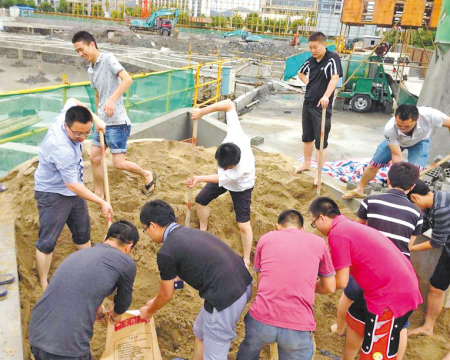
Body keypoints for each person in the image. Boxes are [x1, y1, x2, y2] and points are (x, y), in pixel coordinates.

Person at [309, 197, 422, 360]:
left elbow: (340, 282)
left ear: (322, 218)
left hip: (390, 294)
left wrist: (310, 285)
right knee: (355, 318)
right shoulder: (347, 226)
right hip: (385, 286)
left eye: (314, 223)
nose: (316, 228)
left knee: (376, 350)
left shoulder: (338, 234)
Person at [139, 200, 253, 360]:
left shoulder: (166, 252)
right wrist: (155, 299)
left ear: (152, 225)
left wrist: (149, 311)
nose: (148, 235)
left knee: (215, 353)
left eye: (145, 230)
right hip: (243, 282)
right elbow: (177, 282)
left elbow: (167, 294)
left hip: (225, 297)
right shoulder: (188, 233)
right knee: (201, 331)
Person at [331, 162, 423, 360]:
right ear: (413, 186)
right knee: (400, 324)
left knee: (350, 299)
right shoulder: (417, 214)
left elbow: (358, 230)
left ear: (387, 179)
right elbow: (409, 246)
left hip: (367, 267)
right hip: (397, 275)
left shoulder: (371, 201)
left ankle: (339, 329)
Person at [29, 220, 138, 360]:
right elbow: (123, 301)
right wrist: (116, 315)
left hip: (37, 338)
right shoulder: (126, 262)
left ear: (106, 237)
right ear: (129, 247)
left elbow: (80, 286)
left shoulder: (80, 255)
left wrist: (98, 308)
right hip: (67, 350)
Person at [34, 98, 113, 291]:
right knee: (48, 240)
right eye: (78, 133)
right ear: (66, 126)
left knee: (82, 230)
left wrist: (96, 120)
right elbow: (72, 185)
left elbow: (74, 101)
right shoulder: (61, 147)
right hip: (52, 192)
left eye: (87, 133)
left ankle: (88, 268)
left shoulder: (69, 113)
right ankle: (44, 282)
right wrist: (101, 202)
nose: (82, 138)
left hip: (72, 187)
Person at [236, 210, 336, 360]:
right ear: (302, 229)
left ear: (278, 226)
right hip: (298, 324)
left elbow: (262, 281)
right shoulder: (319, 242)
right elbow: (330, 287)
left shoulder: (266, 238)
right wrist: (304, 285)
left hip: (261, 319)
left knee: (249, 349)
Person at [71, 31, 155, 198]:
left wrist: (111, 100)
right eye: (77, 51)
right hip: (101, 122)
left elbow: (127, 80)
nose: (80, 54)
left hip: (117, 122)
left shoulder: (108, 59)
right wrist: (96, 117)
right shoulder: (91, 70)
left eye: (81, 49)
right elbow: (96, 95)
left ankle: (147, 174)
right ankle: (99, 191)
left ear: (92, 44)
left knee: (119, 163)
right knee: (94, 158)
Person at [186, 99, 255, 267]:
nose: (222, 168)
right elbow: (228, 104)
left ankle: (246, 258)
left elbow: (221, 179)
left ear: (234, 164)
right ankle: (203, 228)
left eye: (226, 167)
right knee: (200, 200)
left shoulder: (241, 169)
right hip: (225, 179)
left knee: (243, 224)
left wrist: (199, 178)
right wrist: (202, 112)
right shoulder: (234, 135)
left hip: (241, 187)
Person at [343, 104, 450, 199]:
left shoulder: (431, 116)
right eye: (400, 126)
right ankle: (359, 189)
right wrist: (399, 174)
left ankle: (411, 199)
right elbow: (396, 155)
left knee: (417, 172)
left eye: (407, 126)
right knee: (374, 164)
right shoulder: (390, 129)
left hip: (420, 141)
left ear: (417, 118)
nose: (403, 129)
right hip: (397, 142)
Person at [294, 31, 342, 185]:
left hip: (321, 106)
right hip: (308, 102)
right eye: (310, 48)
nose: (313, 50)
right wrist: (309, 83)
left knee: (321, 141)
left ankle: (318, 172)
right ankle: (306, 163)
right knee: (307, 137)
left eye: (315, 47)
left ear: (323, 44)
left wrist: (326, 96)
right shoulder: (310, 61)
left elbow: (335, 78)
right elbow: (300, 73)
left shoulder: (332, 58)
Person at [407, 180, 450, 337]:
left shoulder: (442, 209)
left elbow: (437, 242)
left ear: (414, 198)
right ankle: (428, 327)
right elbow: (423, 227)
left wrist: (410, 248)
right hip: (448, 249)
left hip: (445, 247)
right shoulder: (432, 202)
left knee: (437, 287)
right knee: (436, 287)